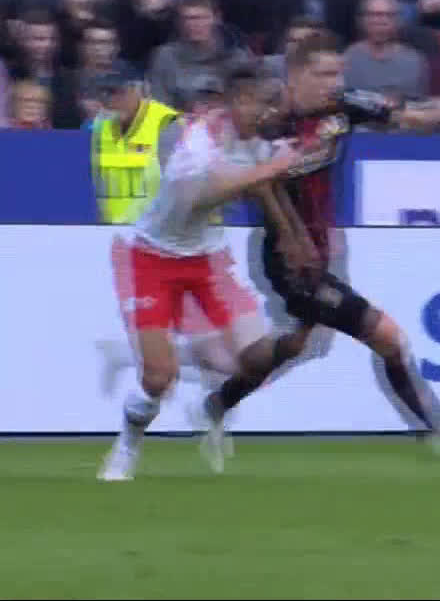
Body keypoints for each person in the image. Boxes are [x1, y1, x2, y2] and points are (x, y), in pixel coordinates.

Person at [191, 32, 440, 467]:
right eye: (323, 74)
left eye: (338, 72)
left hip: (318, 250)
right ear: (295, 76)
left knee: (294, 344)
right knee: (390, 338)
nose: (334, 82)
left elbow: (408, 116)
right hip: (288, 259)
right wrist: (293, 240)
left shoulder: (343, 107)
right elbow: (261, 186)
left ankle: (218, 403)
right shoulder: (270, 120)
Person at [98, 71, 308, 481]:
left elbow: (263, 186)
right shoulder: (196, 144)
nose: (268, 113)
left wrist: (289, 237)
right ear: (238, 101)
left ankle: (212, 407)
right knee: (158, 379)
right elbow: (209, 192)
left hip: (207, 260)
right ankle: (127, 444)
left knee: (259, 358)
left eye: (272, 104)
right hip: (154, 257)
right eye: (261, 103)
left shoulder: (254, 142)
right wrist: (275, 166)